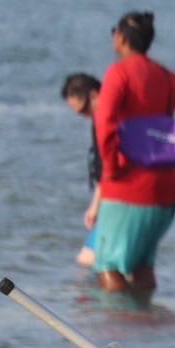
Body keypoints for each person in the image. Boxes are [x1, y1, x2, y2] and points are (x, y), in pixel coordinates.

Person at [92, 11, 175, 295]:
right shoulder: (165, 75)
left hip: (127, 188)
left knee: (107, 267)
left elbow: (105, 123)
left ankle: (115, 330)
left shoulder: (118, 73)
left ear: (121, 38)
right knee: (142, 267)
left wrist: (110, 169)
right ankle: (146, 326)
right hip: (165, 192)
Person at [62, 73, 104, 268]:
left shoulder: (105, 120)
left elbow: (108, 168)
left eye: (84, 110)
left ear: (94, 95)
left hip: (119, 201)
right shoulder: (109, 117)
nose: (84, 116)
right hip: (123, 199)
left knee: (87, 261)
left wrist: (95, 207)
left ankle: (99, 299)